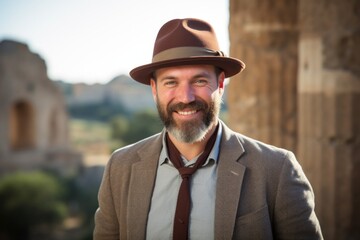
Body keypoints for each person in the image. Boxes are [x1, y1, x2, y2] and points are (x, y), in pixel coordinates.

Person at [94, 18, 323, 240]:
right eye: (171, 82)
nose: (186, 97)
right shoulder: (120, 168)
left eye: (199, 81)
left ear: (221, 83)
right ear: (154, 89)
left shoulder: (277, 169)